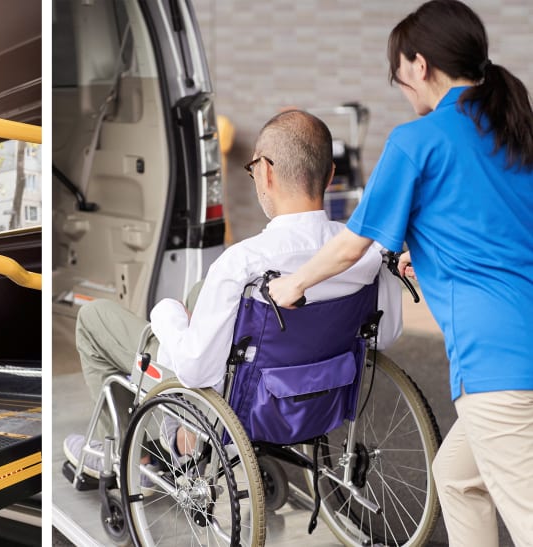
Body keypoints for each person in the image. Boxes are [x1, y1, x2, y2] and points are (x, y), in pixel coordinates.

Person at [266, 2, 533, 544]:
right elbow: (493, 228)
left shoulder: (419, 140)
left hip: (497, 367)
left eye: (399, 76)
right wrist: (431, 253)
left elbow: (349, 247)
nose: (404, 91)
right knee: (456, 479)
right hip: (519, 346)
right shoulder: (511, 131)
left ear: (417, 64)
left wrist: (292, 285)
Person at [63, 110, 403, 475]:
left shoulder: (243, 262)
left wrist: (167, 315)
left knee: (93, 318)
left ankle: (139, 455)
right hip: (317, 395)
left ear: (265, 172)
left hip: (234, 401)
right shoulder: (366, 252)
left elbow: (195, 369)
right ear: (331, 175)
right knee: (199, 291)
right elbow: (385, 333)